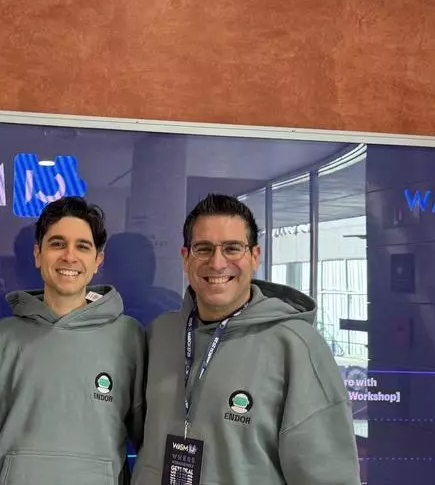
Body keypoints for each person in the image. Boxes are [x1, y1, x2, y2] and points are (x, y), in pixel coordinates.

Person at [131, 194, 361, 485]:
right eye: (203, 249)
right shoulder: (160, 334)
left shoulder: (296, 346)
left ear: (254, 256)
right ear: (186, 258)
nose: (217, 263)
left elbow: (328, 475)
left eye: (232, 248)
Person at [0, 196, 145, 485]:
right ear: (38, 254)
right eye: (57, 244)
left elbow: (148, 440)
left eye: (82, 246)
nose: (69, 256)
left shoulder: (129, 338)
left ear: (98, 261)